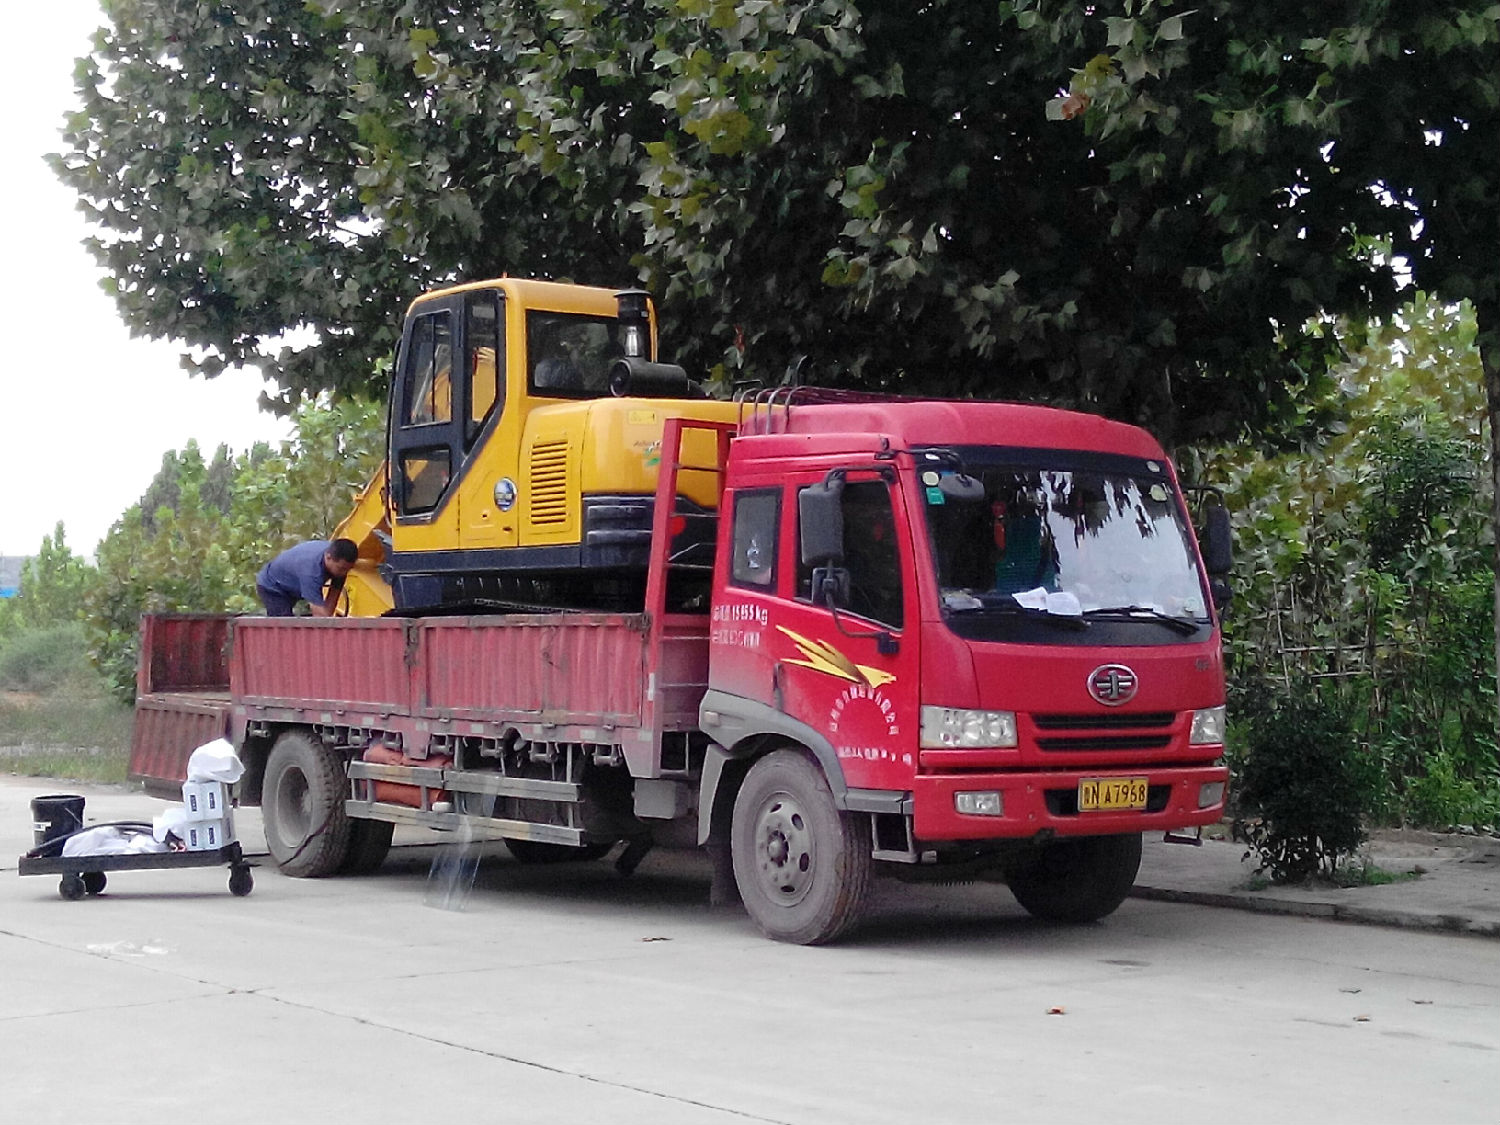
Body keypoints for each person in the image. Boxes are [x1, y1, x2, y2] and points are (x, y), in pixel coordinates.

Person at [255, 539, 358, 617]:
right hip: (272, 586)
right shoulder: (311, 571)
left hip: (293, 585)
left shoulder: (339, 567)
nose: (344, 573)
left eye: (348, 569)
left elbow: (330, 604)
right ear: (328, 557)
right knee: (285, 627)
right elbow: (320, 616)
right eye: (342, 568)